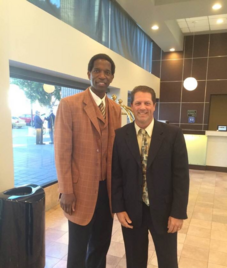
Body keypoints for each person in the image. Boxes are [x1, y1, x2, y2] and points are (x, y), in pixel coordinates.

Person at [54, 54, 121, 268]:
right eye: (97, 71)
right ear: (89, 74)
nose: (102, 76)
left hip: (107, 191)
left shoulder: (115, 109)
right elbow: (62, 151)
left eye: (107, 72)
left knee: (101, 245)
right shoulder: (69, 104)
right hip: (79, 190)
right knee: (77, 248)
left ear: (112, 77)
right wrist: (66, 189)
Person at [112, 86, 189, 268]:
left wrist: (178, 213)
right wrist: (119, 208)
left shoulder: (173, 134)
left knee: (168, 261)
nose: (142, 107)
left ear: (154, 106)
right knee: (135, 261)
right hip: (132, 211)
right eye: (138, 103)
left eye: (147, 103)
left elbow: (181, 177)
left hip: (164, 212)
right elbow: (116, 175)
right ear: (132, 106)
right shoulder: (121, 135)